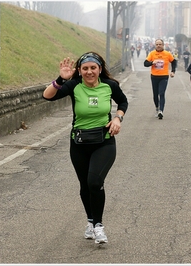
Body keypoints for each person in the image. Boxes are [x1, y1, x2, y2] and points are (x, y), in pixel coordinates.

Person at [42, 51, 128, 244]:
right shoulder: (74, 86)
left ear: (99, 69)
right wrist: (60, 80)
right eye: (85, 69)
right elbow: (47, 96)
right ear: (80, 71)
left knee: (94, 182)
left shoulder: (110, 86)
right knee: (85, 185)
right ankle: (90, 221)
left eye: (93, 68)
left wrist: (117, 118)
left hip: (104, 141)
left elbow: (123, 102)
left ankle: (98, 226)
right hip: (79, 143)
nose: (89, 72)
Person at [144, 38, 177, 119]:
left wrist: (173, 71)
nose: (158, 46)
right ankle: (157, 107)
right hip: (154, 76)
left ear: (163, 45)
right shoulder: (152, 54)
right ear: (155, 45)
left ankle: (161, 111)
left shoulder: (167, 54)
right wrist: (152, 63)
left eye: (160, 44)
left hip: (164, 76)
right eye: (157, 44)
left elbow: (174, 61)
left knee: (161, 93)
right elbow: (145, 63)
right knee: (155, 95)